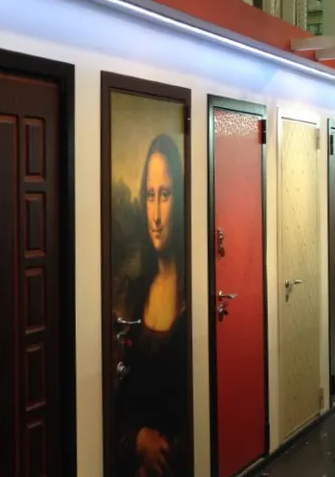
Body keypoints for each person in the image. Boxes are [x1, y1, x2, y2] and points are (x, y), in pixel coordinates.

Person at [114, 134, 191, 477]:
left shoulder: (192, 299)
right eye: (150, 195)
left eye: (165, 195)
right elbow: (118, 399)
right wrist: (136, 441)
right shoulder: (133, 297)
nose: (156, 215)